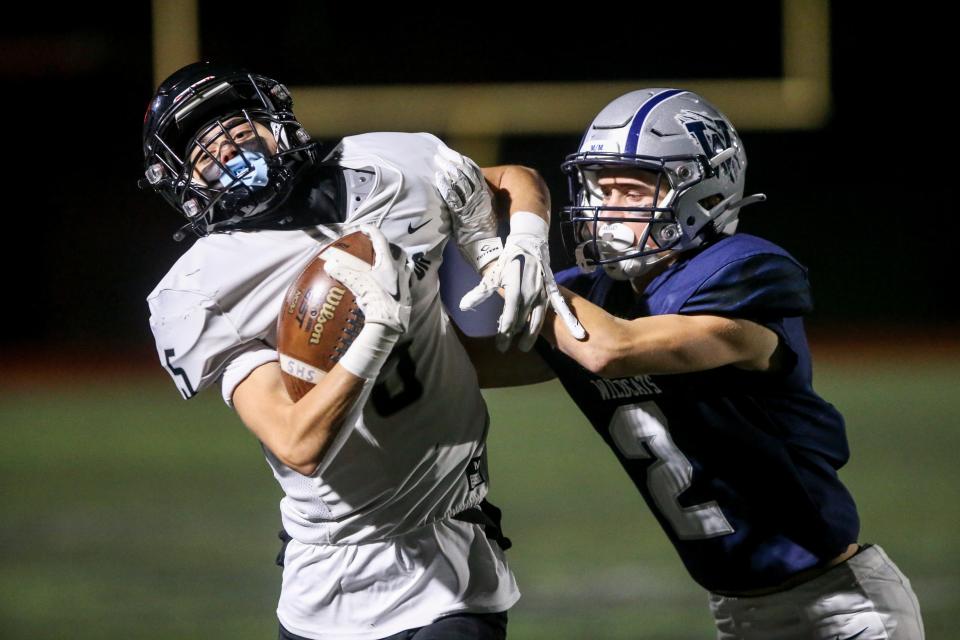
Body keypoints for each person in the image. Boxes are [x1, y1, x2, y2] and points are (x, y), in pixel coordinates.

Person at [459, 89, 925, 639]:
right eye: (599, 187)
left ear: (701, 191)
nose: (607, 208)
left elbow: (611, 349)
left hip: (840, 609)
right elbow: (474, 368)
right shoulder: (595, 295)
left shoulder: (741, 272)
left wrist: (515, 259)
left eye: (630, 189)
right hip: (735, 611)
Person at [141, 61, 579, 640]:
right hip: (325, 575)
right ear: (182, 182)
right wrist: (374, 335)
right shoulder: (201, 287)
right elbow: (299, 443)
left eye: (235, 125)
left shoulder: (391, 165)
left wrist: (520, 240)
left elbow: (510, 180)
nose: (223, 144)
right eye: (199, 145)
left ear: (277, 119)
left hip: (451, 562)